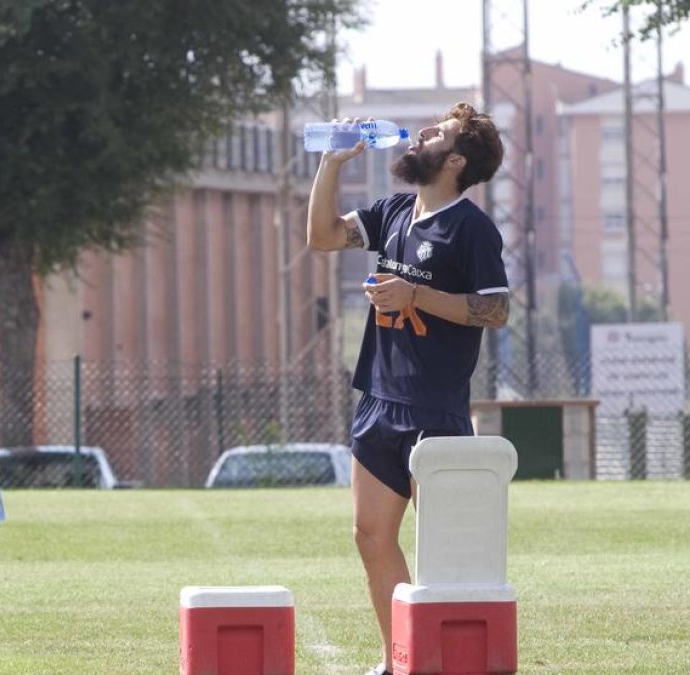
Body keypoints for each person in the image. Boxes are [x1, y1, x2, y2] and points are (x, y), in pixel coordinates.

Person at [305, 103, 509, 675]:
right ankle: (403, 662)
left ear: (456, 160)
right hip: (376, 399)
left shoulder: (471, 228)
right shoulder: (396, 210)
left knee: (446, 554)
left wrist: (414, 295)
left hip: (434, 410)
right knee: (370, 536)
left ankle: (455, 661)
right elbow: (322, 237)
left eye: (437, 133)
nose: (422, 133)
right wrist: (331, 164)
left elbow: (496, 310)